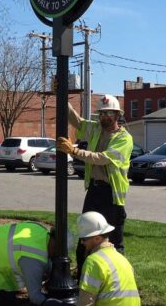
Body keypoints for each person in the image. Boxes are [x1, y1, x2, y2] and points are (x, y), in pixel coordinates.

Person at [55, 94, 133, 271]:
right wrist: (61, 96)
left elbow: (103, 158)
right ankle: (83, 275)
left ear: (117, 115)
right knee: (86, 234)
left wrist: (74, 151)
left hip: (112, 196)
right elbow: (77, 121)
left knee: (114, 241)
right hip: (94, 190)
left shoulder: (124, 138)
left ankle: (116, 278)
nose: (104, 117)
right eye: (102, 113)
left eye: (109, 113)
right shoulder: (96, 129)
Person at [0, 222, 70, 306]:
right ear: (56, 248)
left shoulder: (40, 230)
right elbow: (35, 297)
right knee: (8, 301)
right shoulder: (33, 260)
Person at [76, 212, 140, 306]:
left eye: (84, 239)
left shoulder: (94, 261)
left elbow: (86, 302)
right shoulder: (122, 259)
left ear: (97, 239)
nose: (82, 242)